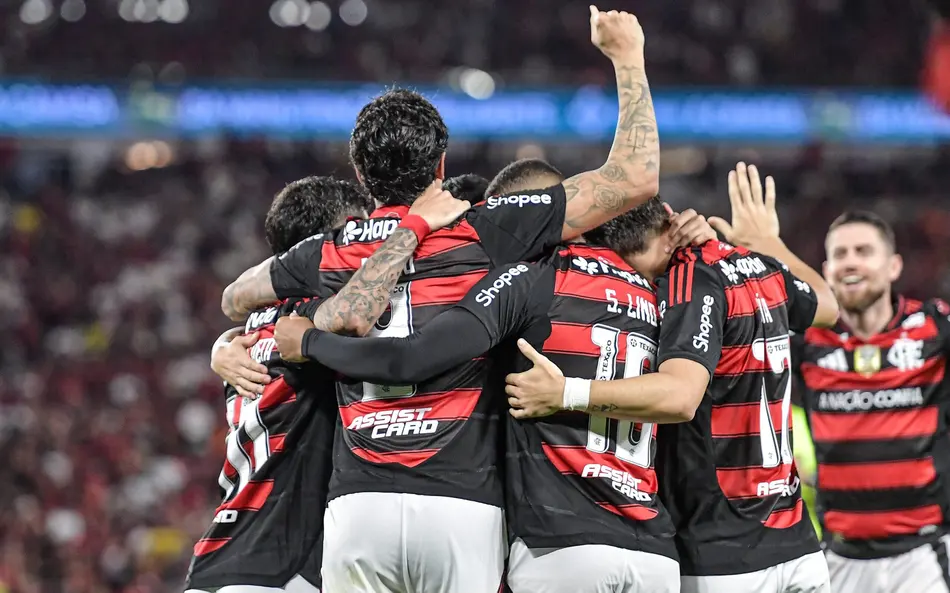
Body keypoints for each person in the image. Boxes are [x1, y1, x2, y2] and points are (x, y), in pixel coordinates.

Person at [220, 7, 663, 592]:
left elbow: (236, 296)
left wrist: (227, 343)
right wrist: (627, 57)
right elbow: (635, 177)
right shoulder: (491, 226)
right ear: (441, 165)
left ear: (360, 172)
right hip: (462, 501)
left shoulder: (323, 252)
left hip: (359, 504)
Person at [275, 198, 715, 593]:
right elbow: (684, 390)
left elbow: (416, 357)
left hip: (561, 545)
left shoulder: (537, 280)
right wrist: (707, 242)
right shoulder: (672, 297)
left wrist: (311, 342)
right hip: (654, 553)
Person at [503, 162, 839, 593]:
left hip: (721, 553)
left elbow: (681, 396)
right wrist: (769, 244)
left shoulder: (685, 281)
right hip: (800, 547)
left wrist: (566, 392)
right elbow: (827, 307)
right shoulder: (759, 267)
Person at [191, 176, 466, 593]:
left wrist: (221, 343)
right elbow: (370, 325)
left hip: (222, 561)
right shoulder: (316, 327)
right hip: (284, 569)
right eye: (356, 235)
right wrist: (416, 225)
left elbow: (236, 302)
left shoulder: (251, 331)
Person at [791, 209, 950, 593]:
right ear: (826, 270)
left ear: (894, 265)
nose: (851, 262)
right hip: (839, 556)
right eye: (841, 254)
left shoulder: (935, 326)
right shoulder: (805, 342)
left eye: (863, 251)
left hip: (926, 555)